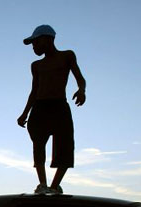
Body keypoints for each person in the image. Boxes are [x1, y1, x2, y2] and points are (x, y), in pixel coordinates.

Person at [17, 25, 86, 195]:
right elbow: (34, 90)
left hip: (59, 106)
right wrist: (25, 113)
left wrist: (81, 90)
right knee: (38, 144)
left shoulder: (67, 56)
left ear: (48, 39)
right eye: (32, 44)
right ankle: (42, 184)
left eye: (36, 42)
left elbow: (80, 78)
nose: (34, 47)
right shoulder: (36, 65)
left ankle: (55, 186)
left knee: (65, 145)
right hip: (40, 108)